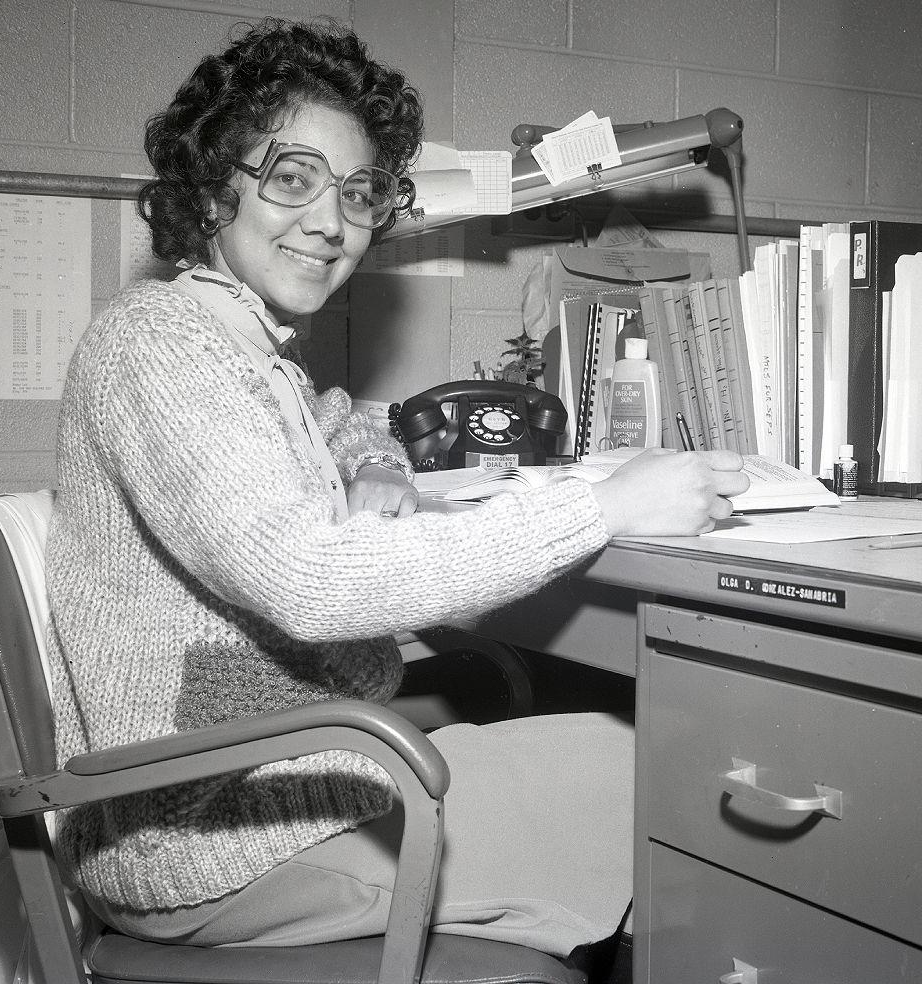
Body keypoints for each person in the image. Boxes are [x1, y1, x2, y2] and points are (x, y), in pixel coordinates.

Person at [46, 15, 749, 965]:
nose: (331, 221)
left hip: (277, 776)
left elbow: (333, 421)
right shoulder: (160, 349)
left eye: (359, 192)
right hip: (207, 841)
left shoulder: (239, 347)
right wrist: (605, 509)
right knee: (671, 776)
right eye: (292, 178)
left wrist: (375, 463)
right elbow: (305, 578)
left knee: (616, 743)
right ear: (214, 185)